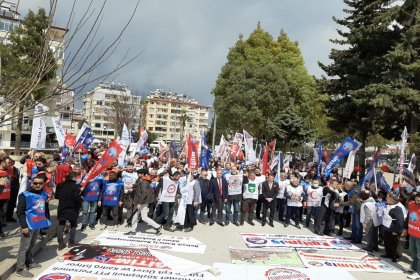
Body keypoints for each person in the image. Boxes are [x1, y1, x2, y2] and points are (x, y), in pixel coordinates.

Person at [15, 175, 51, 278]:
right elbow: (20, 212)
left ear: (43, 184)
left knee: (31, 245)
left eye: (40, 183)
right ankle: (20, 268)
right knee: (24, 247)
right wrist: (24, 226)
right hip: (28, 224)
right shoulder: (24, 195)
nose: (37, 185)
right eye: (35, 183)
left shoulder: (44, 193)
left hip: (38, 223)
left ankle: (29, 262)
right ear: (32, 183)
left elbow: (43, 208)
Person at [127, 169, 161, 235]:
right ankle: (133, 230)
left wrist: (139, 203)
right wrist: (132, 186)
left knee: (142, 217)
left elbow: (144, 193)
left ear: (142, 174)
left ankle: (157, 227)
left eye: (139, 173)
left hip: (142, 201)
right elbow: (139, 185)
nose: (137, 175)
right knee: (137, 216)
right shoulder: (144, 180)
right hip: (142, 201)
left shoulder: (144, 181)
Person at [55, 172, 83, 250]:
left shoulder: (60, 185)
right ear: (74, 178)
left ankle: (60, 244)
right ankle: (71, 242)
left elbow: (56, 196)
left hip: (62, 207)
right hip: (72, 208)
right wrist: (81, 199)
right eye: (77, 177)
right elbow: (76, 198)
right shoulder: (76, 186)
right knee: (73, 225)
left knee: (61, 224)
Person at [381, 192, 405, 262]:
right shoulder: (388, 204)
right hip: (387, 227)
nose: (386, 198)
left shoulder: (398, 208)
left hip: (394, 228)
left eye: (387, 197)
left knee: (395, 243)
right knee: (387, 241)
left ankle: (396, 256)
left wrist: (396, 231)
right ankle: (388, 254)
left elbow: (400, 221)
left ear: (391, 199)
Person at [407, 192, 420, 280]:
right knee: (412, 251)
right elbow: (407, 199)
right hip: (412, 233)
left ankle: (418, 273)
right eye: (417, 198)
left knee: (419, 254)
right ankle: (413, 267)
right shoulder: (411, 204)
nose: (418, 200)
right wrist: (412, 194)